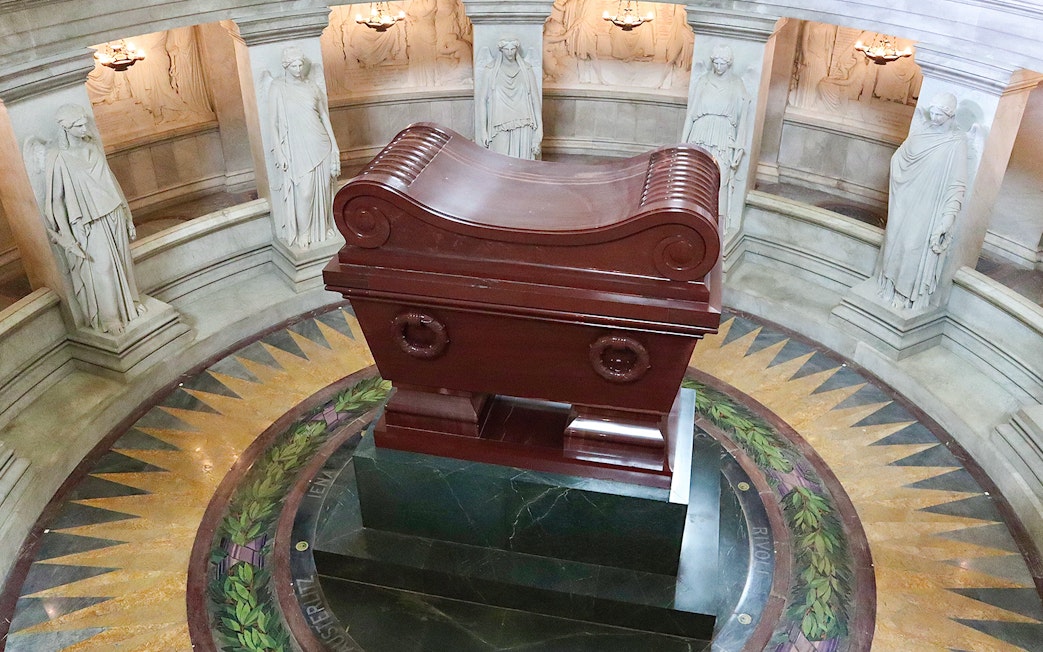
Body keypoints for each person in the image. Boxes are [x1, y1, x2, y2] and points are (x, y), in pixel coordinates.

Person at [44, 104, 145, 334]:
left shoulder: (92, 146)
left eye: (84, 123)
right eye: (77, 125)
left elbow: (112, 181)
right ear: (65, 129)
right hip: (90, 223)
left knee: (123, 262)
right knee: (103, 268)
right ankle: (110, 318)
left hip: (114, 213)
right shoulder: (59, 158)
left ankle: (129, 305)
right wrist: (67, 238)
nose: (83, 128)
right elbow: (56, 201)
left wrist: (128, 215)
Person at [877, 92, 968, 311]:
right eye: (933, 112)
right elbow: (900, 157)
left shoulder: (956, 143)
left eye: (940, 114)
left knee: (912, 247)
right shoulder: (922, 131)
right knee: (895, 243)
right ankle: (889, 285)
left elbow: (957, 184)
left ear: (950, 114)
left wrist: (948, 218)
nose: (935, 117)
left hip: (929, 208)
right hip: (907, 198)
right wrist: (905, 174)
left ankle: (904, 293)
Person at [268, 47, 341, 248]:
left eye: (301, 65)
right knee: (305, 191)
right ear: (286, 66)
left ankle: (324, 225)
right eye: (294, 66)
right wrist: (280, 152)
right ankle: (304, 233)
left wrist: (334, 146)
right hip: (298, 146)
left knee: (324, 189)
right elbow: (273, 123)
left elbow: (324, 117)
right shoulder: (277, 87)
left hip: (320, 142)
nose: (298, 69)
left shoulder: (312, 87)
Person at [682, 45, 749, 231]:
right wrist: (683, 144)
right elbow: (691, 114)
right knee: (696, 177)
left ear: (729, 64)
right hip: (701, 132)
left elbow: (743, 118)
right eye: (716, 63)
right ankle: (691, 221)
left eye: (723, 64)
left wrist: (740, 145)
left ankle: (716, 226)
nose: (719, 67)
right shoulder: (703, 82)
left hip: (723, 136)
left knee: (721, 179)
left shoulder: (737, 85)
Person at [476, 38, 542, 160]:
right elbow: (482, 101)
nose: (510, 53)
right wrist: (483, 131)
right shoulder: (490, 70)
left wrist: (539, 130)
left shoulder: (526, 70)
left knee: (522, 164)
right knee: (500, 162)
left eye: (513, 49)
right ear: (501, 50)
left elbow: (535, 100)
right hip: (499, 123)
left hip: (524, 122)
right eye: (506, 49)